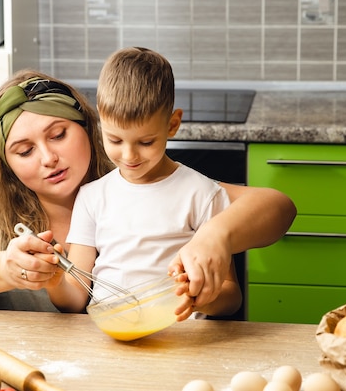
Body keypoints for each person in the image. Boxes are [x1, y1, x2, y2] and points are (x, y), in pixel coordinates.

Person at [0, 69, 296, 313]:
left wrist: (216, 235)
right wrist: (3, 269)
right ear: (6, 165)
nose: (48, 157)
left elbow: (277, 207)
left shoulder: (144, 184)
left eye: (59, 134)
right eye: (24, 150)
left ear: (89, 125)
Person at [45, 47, 241, 320]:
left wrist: (202, 300)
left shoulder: (202, 194)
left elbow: (231, 296)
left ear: (172, 125)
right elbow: (75, 299)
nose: (129, 156)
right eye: (115, 140)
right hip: (110, 339)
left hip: (181, 341)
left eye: (145, 142)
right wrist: (54, 282)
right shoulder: (91, 197)